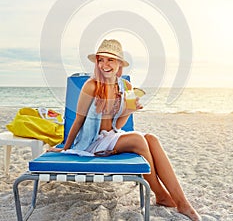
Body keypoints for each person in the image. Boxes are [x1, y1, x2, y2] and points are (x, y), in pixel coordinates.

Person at [49, 39, 201, 221]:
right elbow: (79, 120)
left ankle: (181, 201)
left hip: (112, 136)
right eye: (101, 60)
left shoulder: (126, 87)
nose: (104, 65)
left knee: (151, 138)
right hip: (92, 142)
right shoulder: (91, 86)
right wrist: (66, 147)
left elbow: (118, 125)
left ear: (119, 63)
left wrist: (130, 110)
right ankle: (161, 195)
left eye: (110, 60)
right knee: (138, 139)